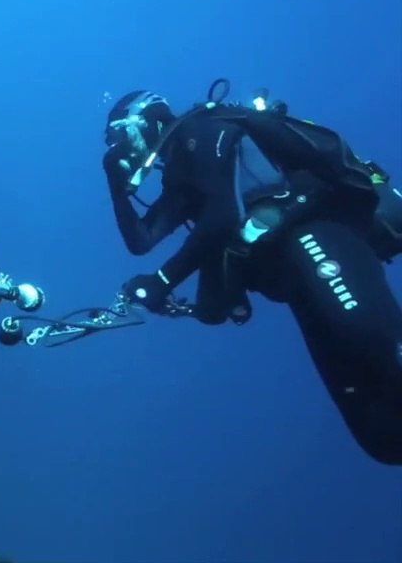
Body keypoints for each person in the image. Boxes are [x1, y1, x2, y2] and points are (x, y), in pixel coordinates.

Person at [101, 87, 402, 465]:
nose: (122, 149)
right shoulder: (180, 178)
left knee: (382, 346)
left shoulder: (204, 127)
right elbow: (141, 240)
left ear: (146, 120)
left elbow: (224, 216)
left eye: (119, 137)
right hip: (293, 279)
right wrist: (116, 187)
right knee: (378, 431)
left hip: (314, 234)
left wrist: (162, 281)